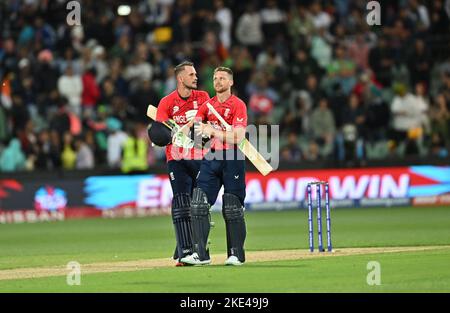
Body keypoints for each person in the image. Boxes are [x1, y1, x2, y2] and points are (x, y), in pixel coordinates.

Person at [180, 66, 248, 266]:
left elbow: (238, 136)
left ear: (231, 82)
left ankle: (236, 254)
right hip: (211, 157)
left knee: (232, 207)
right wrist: (175, 133)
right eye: (215, 78)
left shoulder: (238, 105)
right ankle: (201, 255)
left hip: (233, 157)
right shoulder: (208, 105)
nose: (217, 81)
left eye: (222, 78)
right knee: (198, 204)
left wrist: (212, 130)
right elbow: (192, 126)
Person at [154, 61, 210, 266]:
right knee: (181, 201)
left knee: (199, 204)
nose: (196, 77)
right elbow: (159, 133)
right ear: (180, 78)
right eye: (192, 74)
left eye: (195, 74)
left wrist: (191, 127)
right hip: (176, 159)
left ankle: (198, 249)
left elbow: (208, 124)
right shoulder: (167, 102)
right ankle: (185, 249)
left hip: (199, 158)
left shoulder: (203, 97)